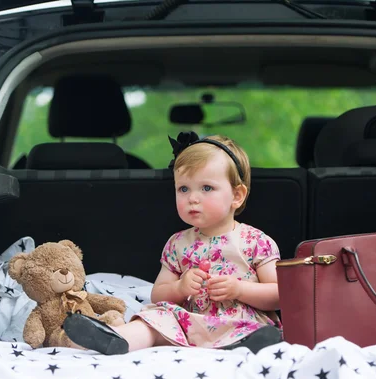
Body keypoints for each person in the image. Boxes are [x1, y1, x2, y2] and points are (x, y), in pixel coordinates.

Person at [62, 133, 283, 354]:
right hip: (189, 324)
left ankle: (245, 346)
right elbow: (158, 294)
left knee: (256, 332)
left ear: (237, 195)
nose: (192, 198)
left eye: (206, 188)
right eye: (183, 189)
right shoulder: (178, 243)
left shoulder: (256, 242)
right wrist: (179, 287)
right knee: (155, 318)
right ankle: (119, 339)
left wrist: (239, 289)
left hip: (239, 323)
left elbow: (280, 295)